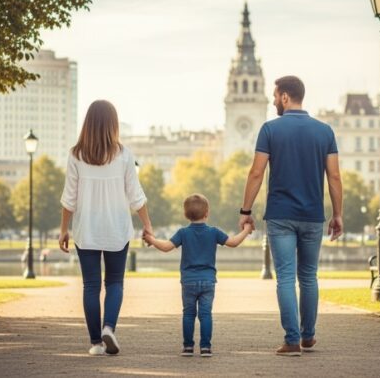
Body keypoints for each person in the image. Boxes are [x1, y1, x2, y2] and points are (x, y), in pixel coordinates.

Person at [239, 75, 343, 356]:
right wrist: (338, 214)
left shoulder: (270, 129)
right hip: (312, 216)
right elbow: (334, 176)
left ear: (285, 97)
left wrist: (246, 211)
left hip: (281, 215)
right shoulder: (325, 131)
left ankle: (292, 340)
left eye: (275, 96)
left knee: (285, 277)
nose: (273, 101)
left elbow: (256, 173)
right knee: (309, 276)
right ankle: (308, 337)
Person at [58, 100, 152, 356]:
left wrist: (63, 229)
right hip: (116, 230)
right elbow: (136, 196)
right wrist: (148, 226)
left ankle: (96, 343)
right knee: (114, 283)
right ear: (113, 124)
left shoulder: (75, 155)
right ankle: (109, 327)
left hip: (86, 230)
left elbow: (69, 198)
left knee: (90, 286)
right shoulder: (123, 155)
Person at [143, 194, 253, 357]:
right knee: (206, 314)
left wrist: (151, 239)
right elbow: (234, 242)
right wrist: (247, 229)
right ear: (207, 213)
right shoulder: (214, 232)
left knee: (188, 314)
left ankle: (188, 347)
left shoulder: (183, 233)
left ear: (185, 214)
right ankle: (205, 347)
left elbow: (166, 247)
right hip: (208, 281)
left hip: (188, 282)